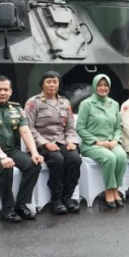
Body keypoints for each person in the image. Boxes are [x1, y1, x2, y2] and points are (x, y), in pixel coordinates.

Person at [0, 76, 43, 222]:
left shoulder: (16, 108)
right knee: (5, 167)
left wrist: (35, 153)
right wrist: (2, 157)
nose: (3, 92)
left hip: (11, 150)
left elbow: (25, 132)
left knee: (33, 164)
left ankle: (21, 205)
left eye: (6, 89)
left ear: (10, 91)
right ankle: (7, 208)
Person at [25, 71, 81, 214]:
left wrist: (71, 141)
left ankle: (67, 197)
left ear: (59, 84)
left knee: (75, 159)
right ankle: (56, 200)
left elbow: (69, 126)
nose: (52, 85)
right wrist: (44, 143)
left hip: (62, 141)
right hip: (41, 143)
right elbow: (28, 128)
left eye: (55, 82)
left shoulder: (65, 102)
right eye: (48, 81)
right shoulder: (33, 102)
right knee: (57, 160)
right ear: (42, 84)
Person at [77, 74, 127, 209]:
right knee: (110, 158)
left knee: (121, 157)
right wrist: (96, 141)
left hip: (111, 142)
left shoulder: (114, 104)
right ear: (94, 86)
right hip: (92, 145)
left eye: (106, 85)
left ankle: (116, 189)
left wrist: (116, 140)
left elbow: (118, 127)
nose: (103, 88)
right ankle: (109, 191)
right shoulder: (87, 104)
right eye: (100, 85)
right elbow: (80, 127)